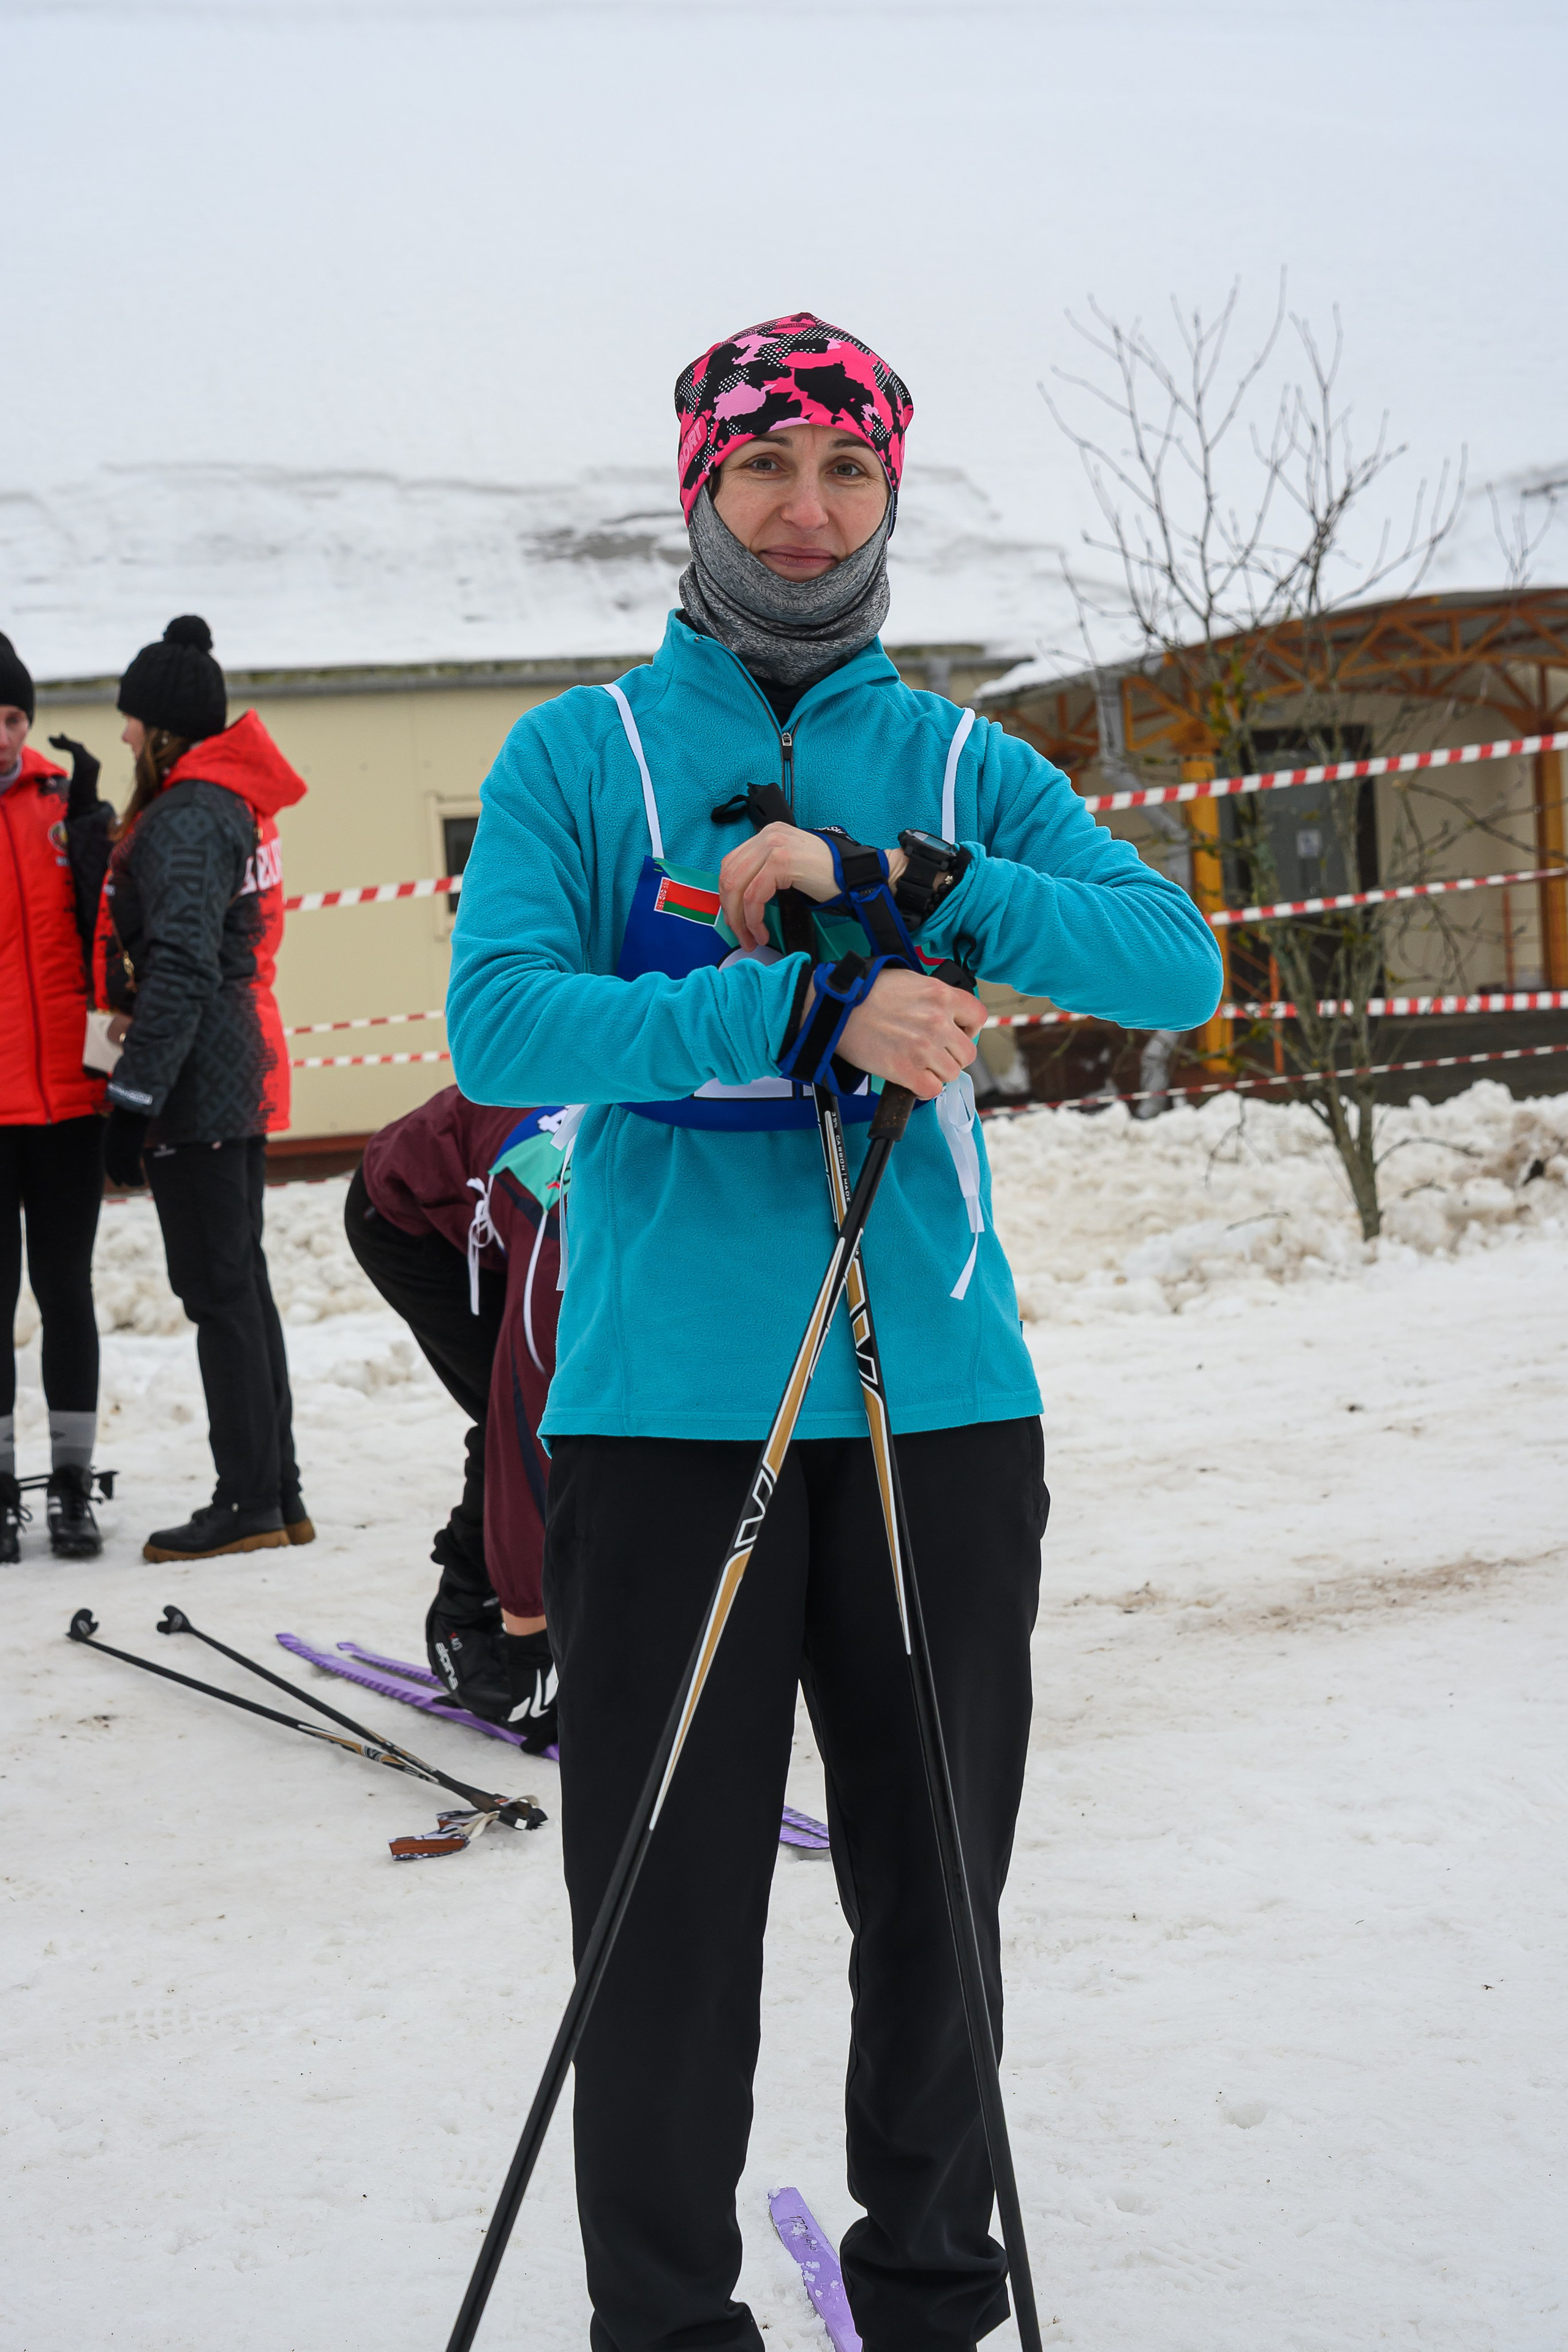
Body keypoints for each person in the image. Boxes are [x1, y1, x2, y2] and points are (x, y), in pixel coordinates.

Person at [447, 313, 1224, 2352]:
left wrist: (908, 890)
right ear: (697, 486)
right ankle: (668, 2325)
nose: (806, 512)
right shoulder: (580, 756)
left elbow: (1176, 964)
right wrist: (789, 1006)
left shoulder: (965, 760)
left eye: (847, 473)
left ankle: (931, 2296)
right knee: (665, 1929)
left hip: (940, 1411)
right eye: (765, 468)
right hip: (663, 1415)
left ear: (890, 493)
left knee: (934, 1904)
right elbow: (501, 1026)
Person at [98, 616, 312, 1562]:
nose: (124, 737)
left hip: (202, 1078)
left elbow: (180, 963)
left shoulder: (189, 815)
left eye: (134, 721)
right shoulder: (221, 804)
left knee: (219, 1290)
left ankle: (249, 1501)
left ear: (168, 731)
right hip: (236, 1064)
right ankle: (279, 1491)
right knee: (242, 1286)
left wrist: (133, 1097)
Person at [343, 1085, 562, 1747]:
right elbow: (528, 1435)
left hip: (505, 1193)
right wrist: (530, 1632)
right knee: (534, 1420)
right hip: (413, 1217)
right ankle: (473, 1612)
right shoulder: (567, 1238)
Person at [0, 631, 113, 1562]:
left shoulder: (58, 803)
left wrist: (95, 838)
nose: (2, 734)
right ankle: (0, 1488)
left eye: (12, 718)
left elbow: (100, 937)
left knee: (66, 1293)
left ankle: (72, 1487)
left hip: (68, 1107)